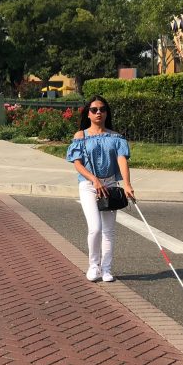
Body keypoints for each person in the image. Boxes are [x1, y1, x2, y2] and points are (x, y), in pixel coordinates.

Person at [66, 96, 135, 282]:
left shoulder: (116, 137)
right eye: (94, 109)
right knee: (95, 228)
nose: (99, 113)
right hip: (89, 185)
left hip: (110, 184)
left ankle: (106, 269)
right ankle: (93, 266)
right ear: (87, 113)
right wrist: (94, 179)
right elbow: (77, 164)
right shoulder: (80, 136)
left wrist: (127, 184)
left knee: (109, 231)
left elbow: (122, 160)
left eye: (102, 109)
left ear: (107, 113)